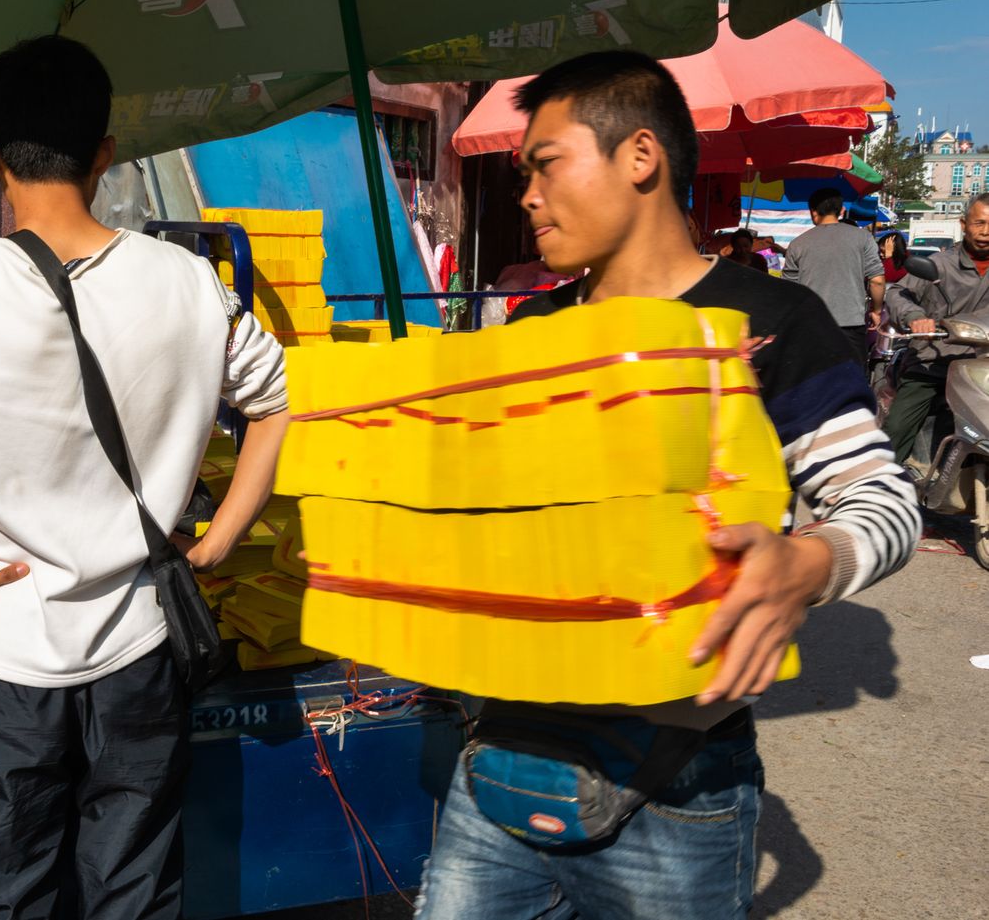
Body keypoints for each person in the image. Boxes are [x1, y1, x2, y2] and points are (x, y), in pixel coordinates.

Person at [413, 51, 920, 920]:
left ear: (640, 155)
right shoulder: (531, 329)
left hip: (676, 786)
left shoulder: (769, 321)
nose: (526, 195)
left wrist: (807, 562)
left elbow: (882, 500)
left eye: (545, 164)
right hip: (496, 757)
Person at [0, 36, 289, 920]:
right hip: (143, 650)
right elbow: (272, 399)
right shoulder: (194, 285)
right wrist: (218, 539)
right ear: (107, 153)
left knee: (9, 901)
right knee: (137, 895)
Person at [882, 194, 989, 465]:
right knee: (896, 431)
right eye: (979, 223)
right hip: (933, 362)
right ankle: (876, 491)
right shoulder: (940, 264)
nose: (986, 232)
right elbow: (897, 294)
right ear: (964, 224)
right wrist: (916, 316)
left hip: (982, 368)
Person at [781, 188, 885, 367]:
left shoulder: (797, 244)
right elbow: (877, 280)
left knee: (815, 382)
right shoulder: (863, 238)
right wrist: (876, 311)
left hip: (811, 327)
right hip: (851, 324)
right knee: (852, 383)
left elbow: (789, 290)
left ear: (813, 212)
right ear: (842, 210)